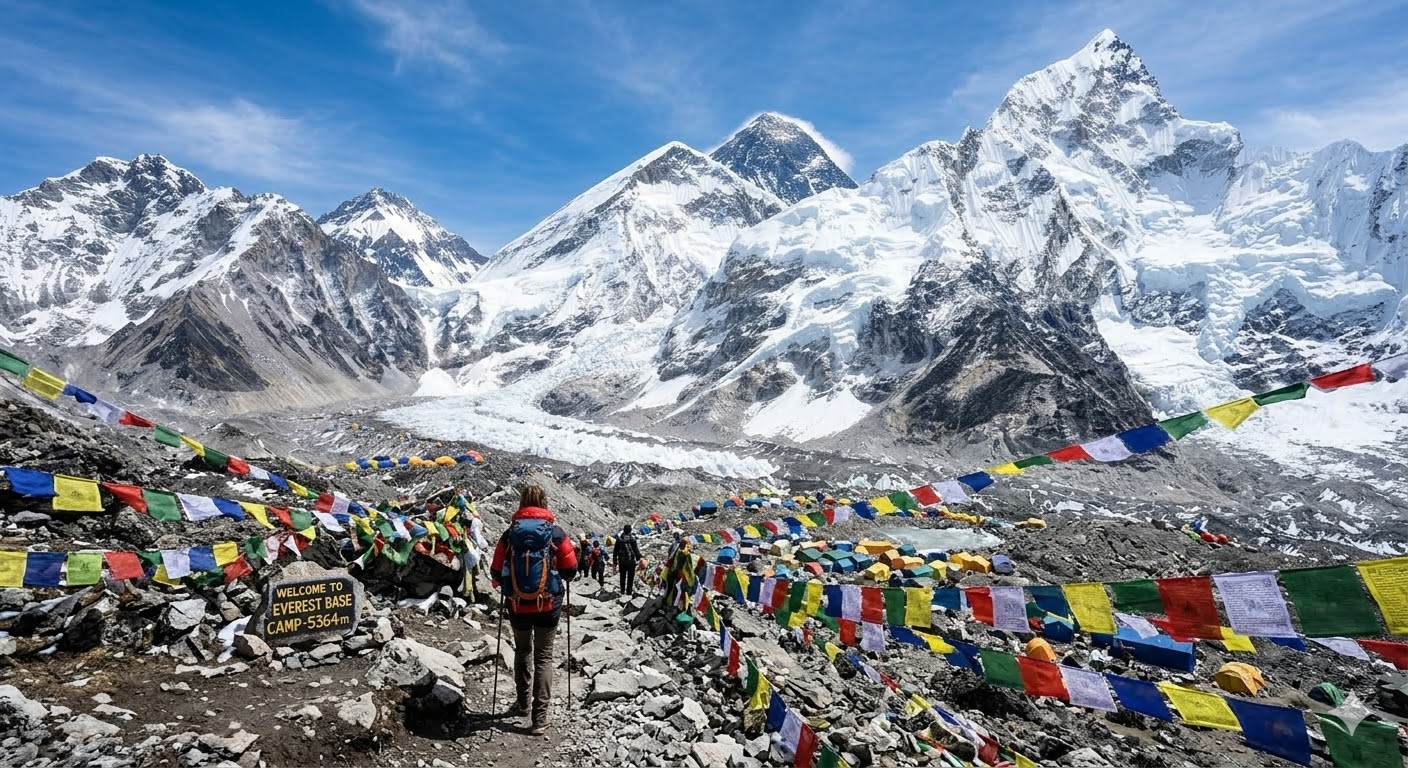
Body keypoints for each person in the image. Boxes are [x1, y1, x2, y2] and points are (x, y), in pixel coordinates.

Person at [490, 485, 577, 735]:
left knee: (522, 651)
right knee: (544, 656)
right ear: (544, 502)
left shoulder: (510, 534)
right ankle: (539, 719)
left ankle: (522, 703)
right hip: (548, 604)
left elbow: (495, 571)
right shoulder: (555, 532)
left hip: (518, 604)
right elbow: (570, 569)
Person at [613, 524, 642, 596]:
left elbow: (615, 551)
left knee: (622, 576)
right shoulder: (632, 539)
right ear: (630, 531)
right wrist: (640, 558)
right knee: (630, 577)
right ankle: (629, 592)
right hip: (631, 562)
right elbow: (636, 551)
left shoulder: (619, 539)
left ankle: (622, 591)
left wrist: (615, 562)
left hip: (622, 562)